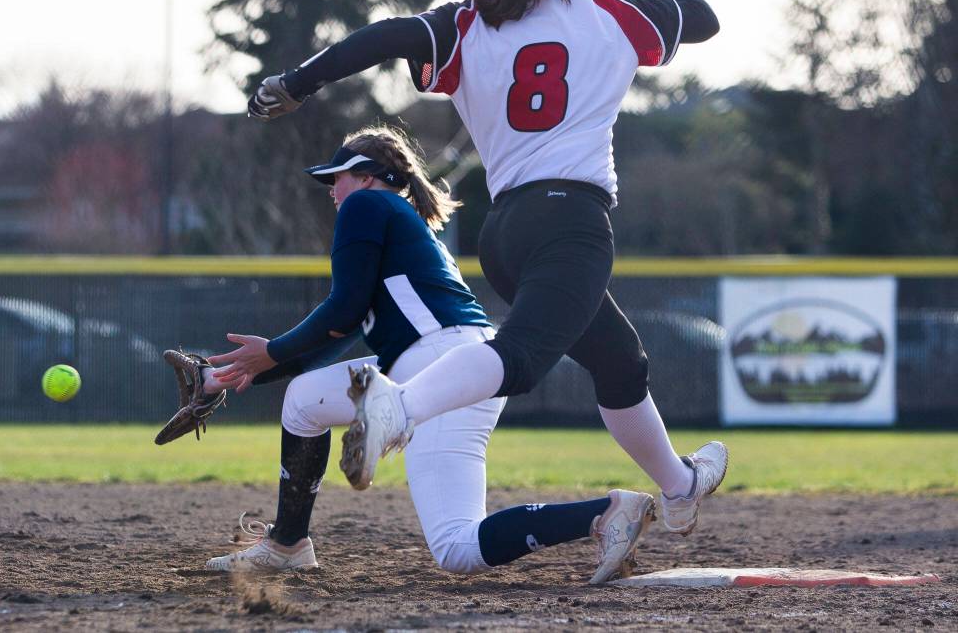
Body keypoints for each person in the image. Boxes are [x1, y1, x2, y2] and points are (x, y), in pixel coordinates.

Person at [247, 0, 727, 537]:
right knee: (521, 358)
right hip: (572, 220)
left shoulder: (465, 25)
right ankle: (401, 408)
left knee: (620, 362)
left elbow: (384, 36)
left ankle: (678, 486)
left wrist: (299, 82)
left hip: (505, 235)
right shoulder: (609, 12)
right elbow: (702, 20)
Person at [200, 124, 656, 584]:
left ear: (366, 175)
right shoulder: (396, 219)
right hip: (443, 360)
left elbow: (344, 308)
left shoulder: (366, 203)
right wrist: (240, 374)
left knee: (458, 548)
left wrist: (272, 350)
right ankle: (288, 543)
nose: (332, 189)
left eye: (337, 176)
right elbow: (340, 332)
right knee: (302, 400)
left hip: (436, 362)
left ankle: (606, 513)